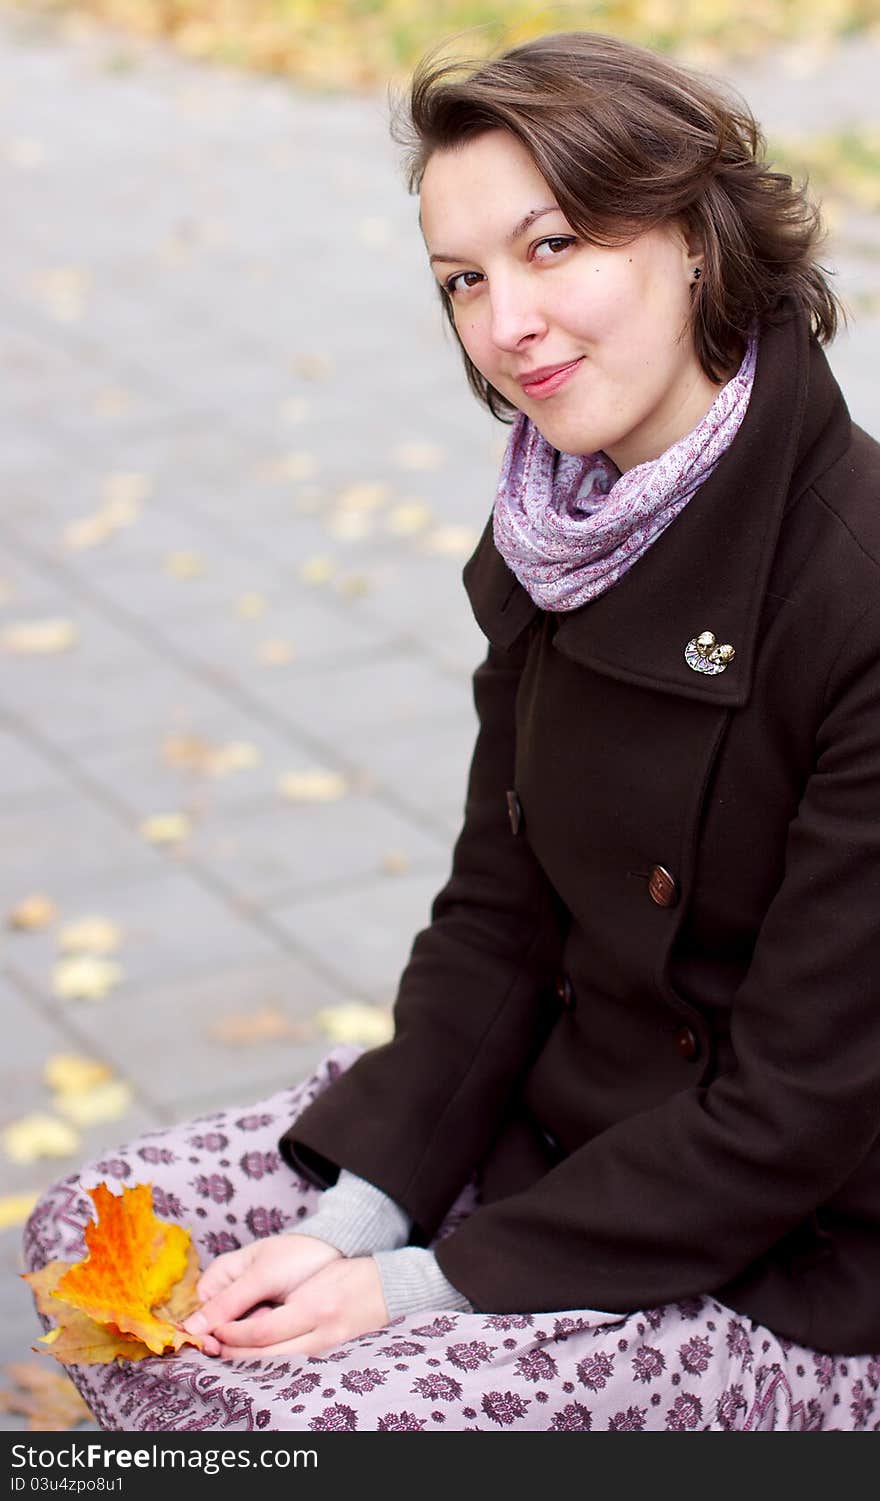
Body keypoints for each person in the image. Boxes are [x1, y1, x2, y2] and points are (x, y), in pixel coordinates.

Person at [24, 31, 880, 1433]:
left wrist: (411, 1290)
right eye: (464, 281)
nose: (507, 323)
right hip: (549, 1132)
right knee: (94, 1235)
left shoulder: (854, 594)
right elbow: (500, 914)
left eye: (553, 246)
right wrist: (362, 1214)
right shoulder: (560, 529)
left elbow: (794, 1117)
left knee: (304, 1422)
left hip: (782, 1249)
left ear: (695, 234)